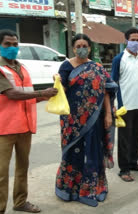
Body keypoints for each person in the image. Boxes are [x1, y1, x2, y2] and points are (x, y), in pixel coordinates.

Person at [55, 34, 117, 207]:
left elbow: (106, 90)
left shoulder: (96, 67)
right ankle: (70, 188)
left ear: (89, 48)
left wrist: (108, 114)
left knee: (93, 152)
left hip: (94, 119)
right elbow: (62, 90)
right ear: (73, 48)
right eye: (78, 45)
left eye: (85, 45)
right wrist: (57, 83)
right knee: (73, 153)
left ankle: (93, 188)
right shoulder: (66, 66)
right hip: (72, 121)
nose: (81, 48)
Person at [0, 30, 58, 213]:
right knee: (1, 173)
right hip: (4, 128)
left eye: (15, 44)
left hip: (24, 126)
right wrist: (42, 93)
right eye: (7, 44)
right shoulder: (0, 69)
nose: (12, 48)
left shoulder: (22, 68)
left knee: (22, 168)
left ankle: (20, 202)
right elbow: (13, 94)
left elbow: (27, 95)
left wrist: (47, 95)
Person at [111, 28, 138, 182]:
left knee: (137, 137)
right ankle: (124, 169)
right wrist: (113, 105)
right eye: (132, 39)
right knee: (124, 139)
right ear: (126, 41)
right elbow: (113, 83)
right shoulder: (119, 59)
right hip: (125, 106)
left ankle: (133, 163)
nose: (135, 42)